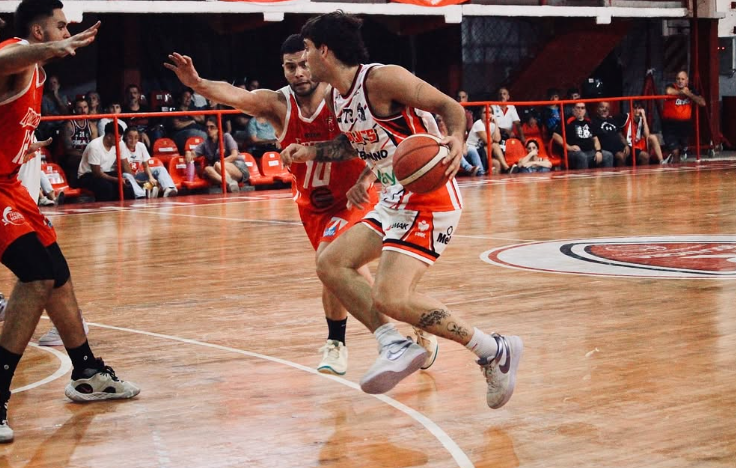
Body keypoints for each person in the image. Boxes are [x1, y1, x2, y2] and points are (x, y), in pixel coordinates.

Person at [281, 11, 523, 407]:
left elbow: (449, 105)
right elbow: (353, 143)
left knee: (391, 297)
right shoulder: (338, 97)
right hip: (394, 198)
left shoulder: (381, 79)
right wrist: (311, 152)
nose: (303, 60)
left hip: (429, 198)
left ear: (324, 51)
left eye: (306, 50)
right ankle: (393, 343)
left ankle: (494, 350)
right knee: (330, 264)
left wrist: (456, 138)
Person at [166, 34, 438, 375]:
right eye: (290, 67)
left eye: (303, 65)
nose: (298, 73)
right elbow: (236, 95)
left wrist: (366, 179)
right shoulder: (278, 105)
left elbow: (379, 142)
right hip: (312, 206)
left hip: (354, 197)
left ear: (317, 64)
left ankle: (353, 343)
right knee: (347, 275)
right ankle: (416, 323)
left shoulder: (342, 99)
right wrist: (198, 83)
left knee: (331, 262)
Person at [0, 0, 139, 443]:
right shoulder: (16, 54)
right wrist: (51, 49)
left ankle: (86, 372)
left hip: (9, 183)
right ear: (39, 33)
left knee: (56, 273)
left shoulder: (36, 71)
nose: (67, 33)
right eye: (60, 27)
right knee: (37, 276)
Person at [78, 122, 142, 200]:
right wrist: (117, 180)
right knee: (107, 188)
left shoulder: (120, 143)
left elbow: (125, 164)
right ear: (109, 137)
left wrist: (133, 180)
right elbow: (97, 173)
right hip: (88, 175)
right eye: (118, 137)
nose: (119, 140)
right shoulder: (94, 146)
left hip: (107, 173)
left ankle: (131, 204)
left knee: (127, 186)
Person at [184, 116, 247, 193]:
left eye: (212, 127)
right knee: (207, 169)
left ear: (218, 128)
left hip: (237, 166)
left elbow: (234, 155)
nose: (209, 130)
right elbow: (193, 154)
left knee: (218, 165)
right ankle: (229, 183)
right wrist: (188, 152)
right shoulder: (206, 143)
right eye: (207, 127)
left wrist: (219, 163)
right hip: (220, 170)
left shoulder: (226, 136)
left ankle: (229, 182)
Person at [552, 102, 613, 170]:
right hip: (574, 152)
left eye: (582, 108)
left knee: (608, 155)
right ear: (573, 109)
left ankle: (606, 177)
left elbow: (595, 139)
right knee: (582, 156)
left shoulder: (589, 122)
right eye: (578, 108)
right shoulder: (567, 121)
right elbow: (555, 136)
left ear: (585, 110)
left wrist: (598, 151)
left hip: (590, 151)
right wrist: (569, 147)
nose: (580, 110)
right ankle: (584, 177)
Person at [662, 70, 706, 163]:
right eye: (678, 79)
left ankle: (674, 162)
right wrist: (682, 92)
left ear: (687, 80)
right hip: (670, 125)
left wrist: (689, 94)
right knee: (675, 151)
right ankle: (674, 164)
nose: (680, 81)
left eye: (682, 79)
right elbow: (668, 91)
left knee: (681, 151)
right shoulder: (671, 86)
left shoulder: (690, 88)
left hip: (684, 125)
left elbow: (702, 103)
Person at [122, 126, 178, 198]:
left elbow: (146, 166)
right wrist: (137, 181)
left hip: (138, 174)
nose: (133, 140)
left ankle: (169, 189)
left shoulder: (141, 146)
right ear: (125, 137)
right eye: (130, 137)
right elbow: (126, 169)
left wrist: (151, 177)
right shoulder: (122, 146)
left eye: (136, 137)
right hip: (127, 176)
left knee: (160, 169)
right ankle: (141, 194)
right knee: (127, 175)